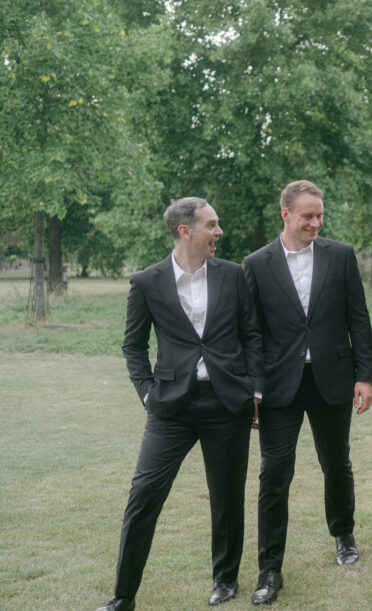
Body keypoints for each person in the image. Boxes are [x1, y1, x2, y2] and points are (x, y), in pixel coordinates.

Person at [96, 198, 264, 611]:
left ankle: (225, 581)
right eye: (212, 224)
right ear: (185, 231)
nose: (219, 231)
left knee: (227, 498)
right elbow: (133, 346)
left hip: (227, 403)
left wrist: (254, 389)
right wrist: (147, 392)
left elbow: (252, 334)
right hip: (170, 407)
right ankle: (123, 596)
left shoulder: (233, 275)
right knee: (144, 495)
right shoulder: (147, 282)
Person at [242, 180, 372, 604]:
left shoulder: (340, 255)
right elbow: (252, 333)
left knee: (336, 463)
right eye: (307, 216)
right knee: (274, 473)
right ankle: (269, 569)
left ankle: (344, 534)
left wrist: (365, 375)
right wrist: (255, 387)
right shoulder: (256, 263)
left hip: (332, 377)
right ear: (286, 214)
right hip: (279, 386)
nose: (316, 222)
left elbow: (358, 316)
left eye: (319, 215)